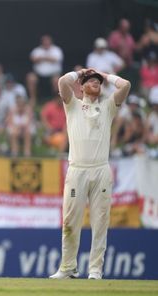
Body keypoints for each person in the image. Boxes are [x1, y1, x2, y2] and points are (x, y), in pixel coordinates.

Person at [50, 68, 131, 280]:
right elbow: (62, 83)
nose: (95, 83)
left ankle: (95, 270)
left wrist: (105, 76)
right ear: (82, 86)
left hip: (101, 170)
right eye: (90, 80)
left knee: (100, 221)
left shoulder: (108, 107)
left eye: (98, 82)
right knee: (70, 221)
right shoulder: (73, 105)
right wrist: (79, 72)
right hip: (77, 170)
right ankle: (68, 267)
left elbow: (126, 86)